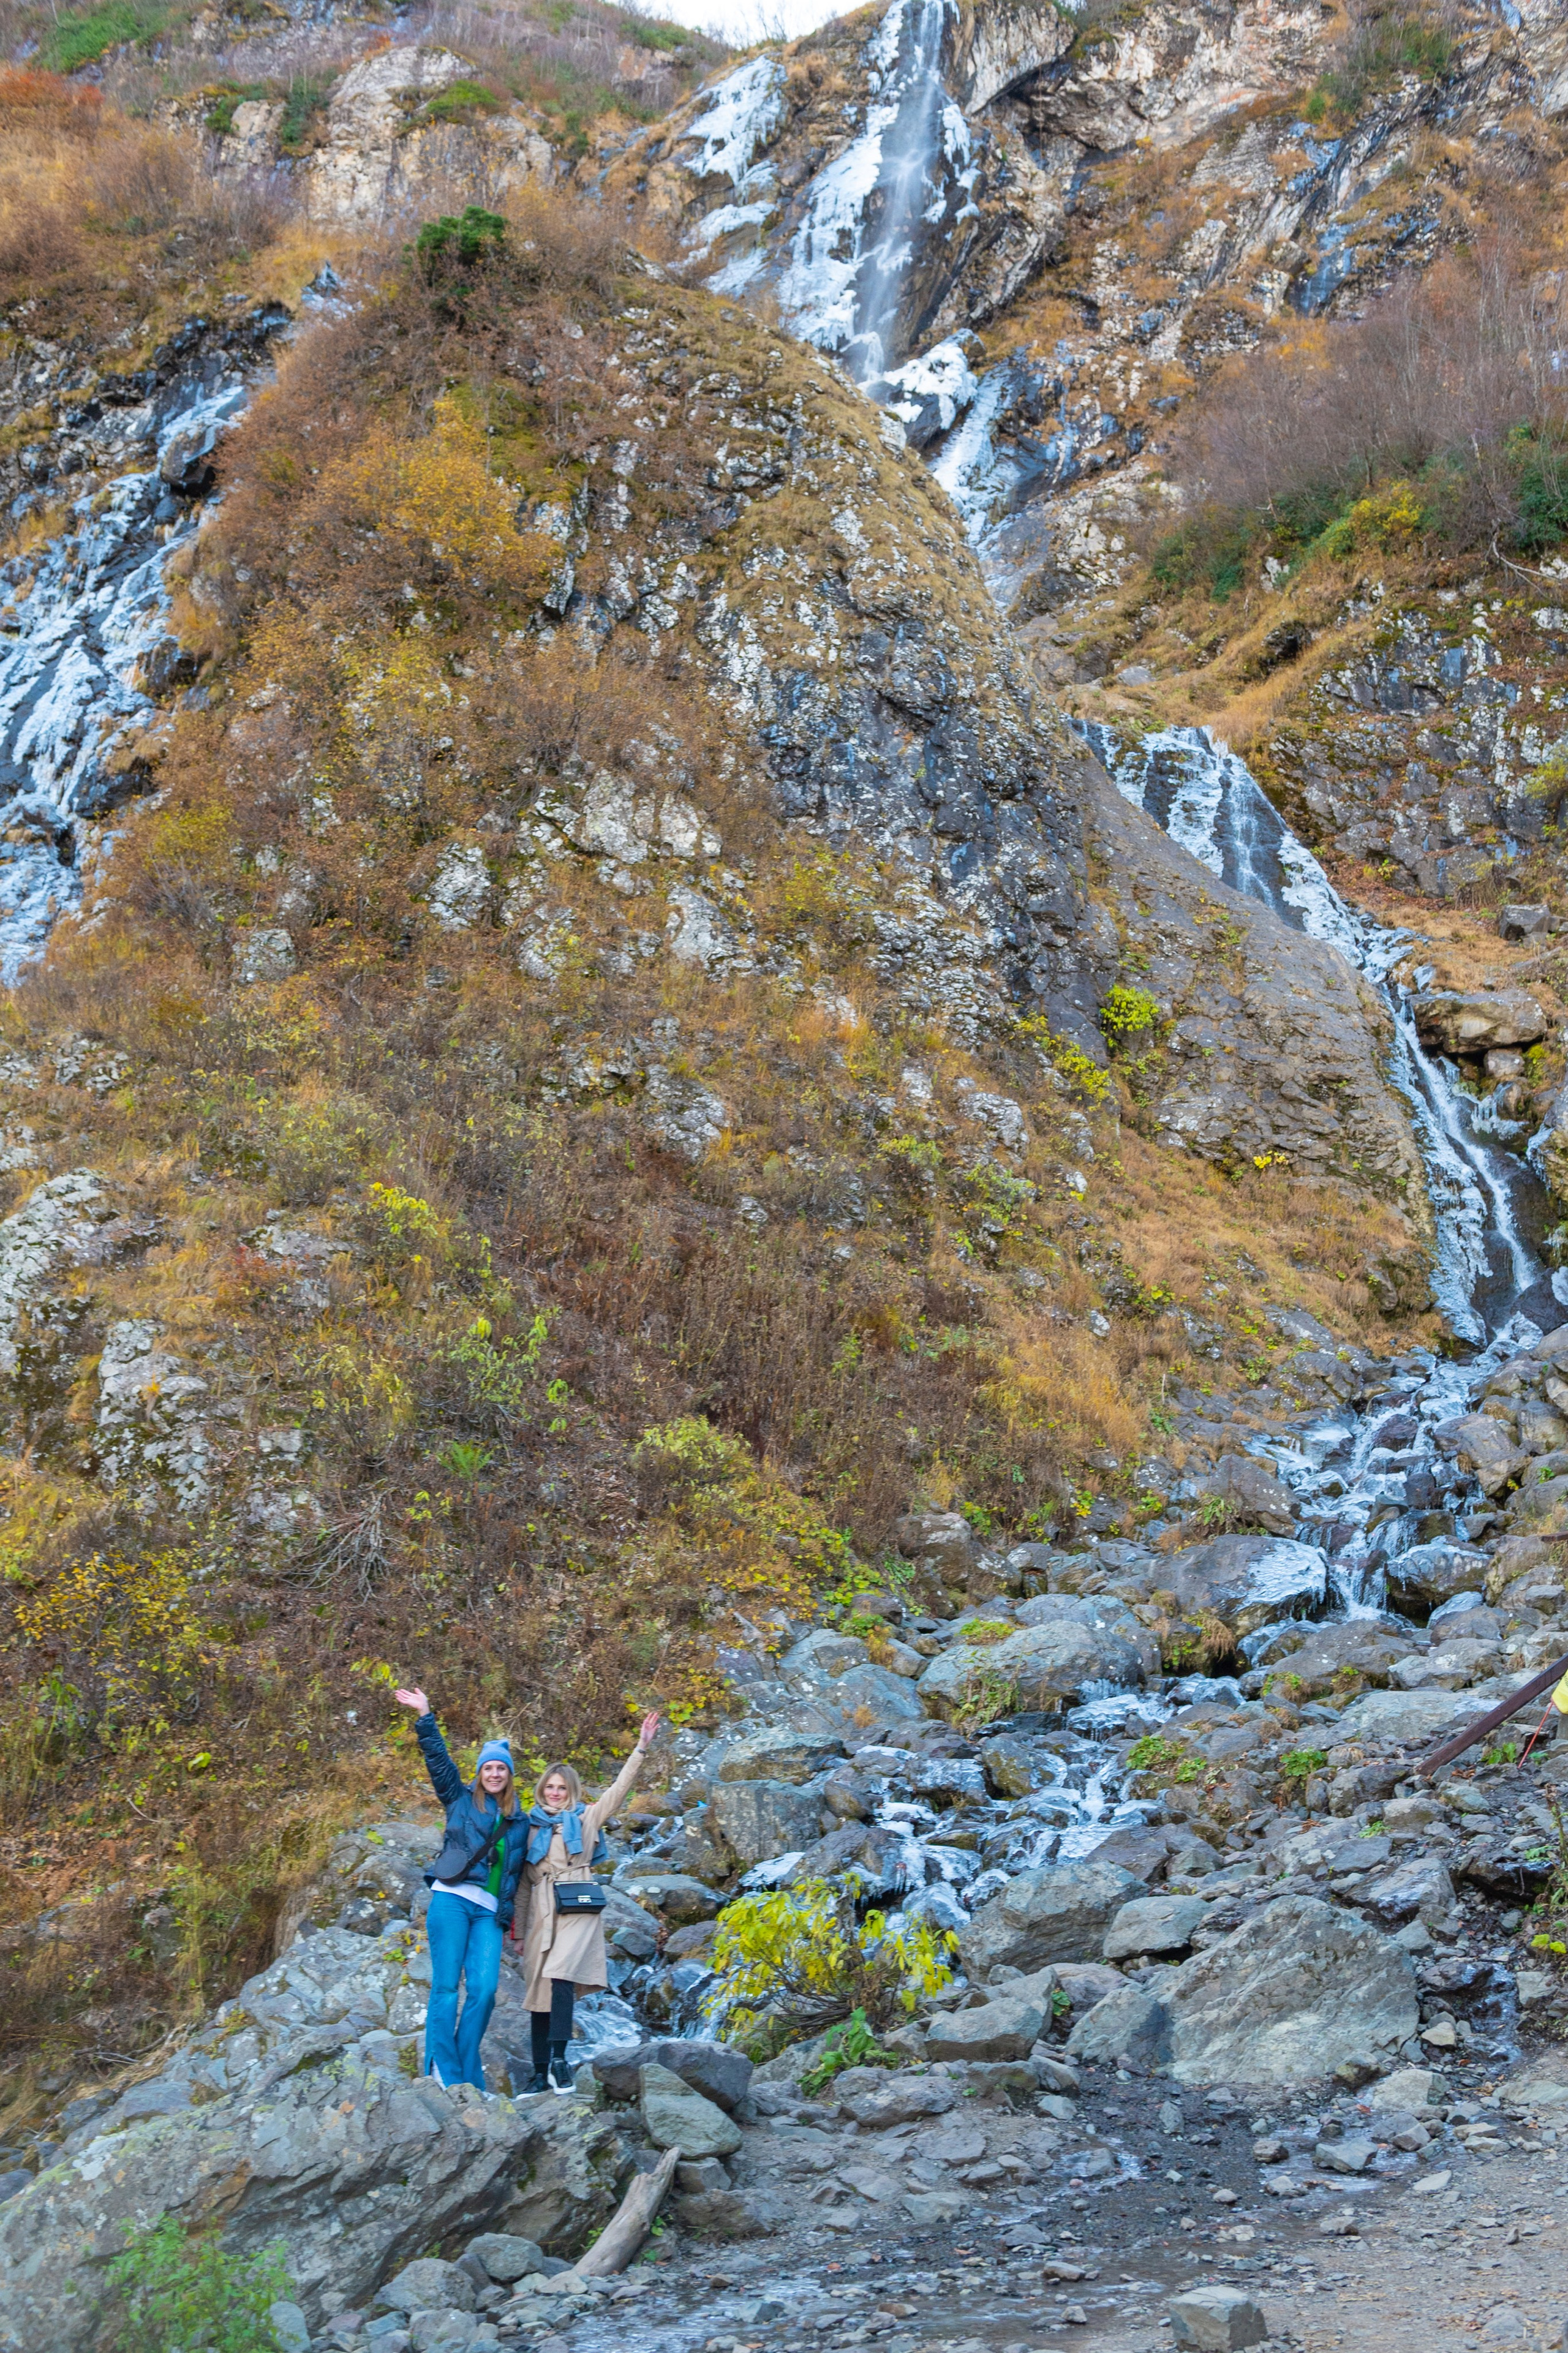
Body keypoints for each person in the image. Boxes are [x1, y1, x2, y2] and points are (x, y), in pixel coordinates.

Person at [516, 1711, 661, 2093]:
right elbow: (521, 1884)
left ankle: (560, 2062)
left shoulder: (585, 1820)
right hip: (541, 1908)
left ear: (572, 1791)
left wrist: (641, 1748)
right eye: (550, 1787)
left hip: (577, 1901)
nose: (555, 1793)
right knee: (539, 1990)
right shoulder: (528, 1825)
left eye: (562, 1788)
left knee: (561, 1977)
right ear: (541, 1789)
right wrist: (515, 1929)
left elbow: (617, 1791)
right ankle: (539, 2071)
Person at [393, 1684, 528, 2093]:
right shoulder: (459, 1799)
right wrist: (425, 1716)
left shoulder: (520, 1822)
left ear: (508, 1776)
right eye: (488, 1767)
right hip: (451, 1901)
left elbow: (519, 1876)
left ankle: (468, 2070)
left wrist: (517, 1924)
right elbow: (438, 1761)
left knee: (485, 1989)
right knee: (448, 1985)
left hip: (488, 1912)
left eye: (501, 1768)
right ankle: (443, 2070)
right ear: (480, 1772)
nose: (494, 1774)